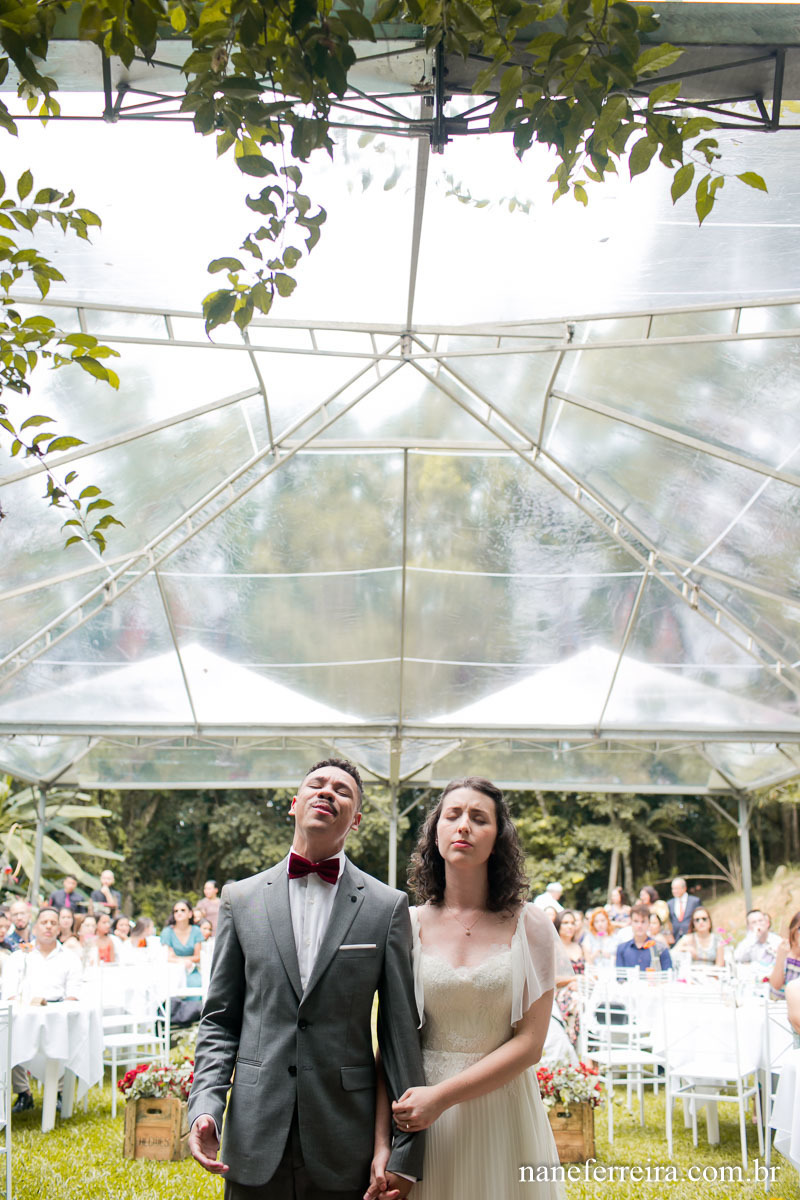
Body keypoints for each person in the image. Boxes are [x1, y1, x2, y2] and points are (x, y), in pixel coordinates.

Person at [188, 757, 425, 1199]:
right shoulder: (240, 899)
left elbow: (397, 1035)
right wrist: (205, 1103)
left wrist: (404, 1153)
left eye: (342, 791)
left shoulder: (385, 907)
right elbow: (220, 1020)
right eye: (317, 784)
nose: (327, 792)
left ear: (355, 820)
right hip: (255, 1133)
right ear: (294, 804)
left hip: (343, 1137)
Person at [368, 776, 568, 1200]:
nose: (463, 826)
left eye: (479, 818)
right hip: (423, 1121)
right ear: (435, 832)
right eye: (452, 815)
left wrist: (440, 1097)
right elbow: (393, 1040)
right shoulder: (407, 923)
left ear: (498, 840)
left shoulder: (530, 925)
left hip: (503, 1112)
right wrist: (384, 1144)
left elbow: (531, 1045)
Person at [2, 906, 81, 1113]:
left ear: (59, 929)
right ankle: (23, 1092)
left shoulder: (70, 958)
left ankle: (58, 1091)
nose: (48, 926)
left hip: (57, 1015)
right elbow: (10, 992)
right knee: (7, 1037)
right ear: (35, 927)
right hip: (25, 1014)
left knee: (66, 1035)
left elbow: (73, 995)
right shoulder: (20, 957)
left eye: (53, 923)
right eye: (44, 922)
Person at [615, 904, 672, 971]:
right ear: (631, 922)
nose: (639, 925)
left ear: (649, 923)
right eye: (636, 921)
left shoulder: (660, 948)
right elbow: (620, 978)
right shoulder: (622, 949)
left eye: (643, 922)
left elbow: (668, 976)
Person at [161, 899, 203, 989]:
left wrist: (180, 959)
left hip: (191, 970)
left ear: (190, 914)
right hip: (172, 971)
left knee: (197, 984)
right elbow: (168, 957)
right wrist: (184, 961)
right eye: (176, 911)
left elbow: (198, 957)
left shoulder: (196, 931)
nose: (179, 913)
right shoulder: (167, 932)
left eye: (183, 910)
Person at [769, 911, 800, 999]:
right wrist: (780, 958)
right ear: (793, 930)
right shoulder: (783, 949)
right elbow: (776, 985)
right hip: (777, 1005)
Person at [667, 877, 700, 941]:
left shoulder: (694, 901)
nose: (674, 891)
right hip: (676, 938)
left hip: (692, 937)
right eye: (672, 889)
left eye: (676, 888)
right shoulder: (669, 903)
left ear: (684, 888)